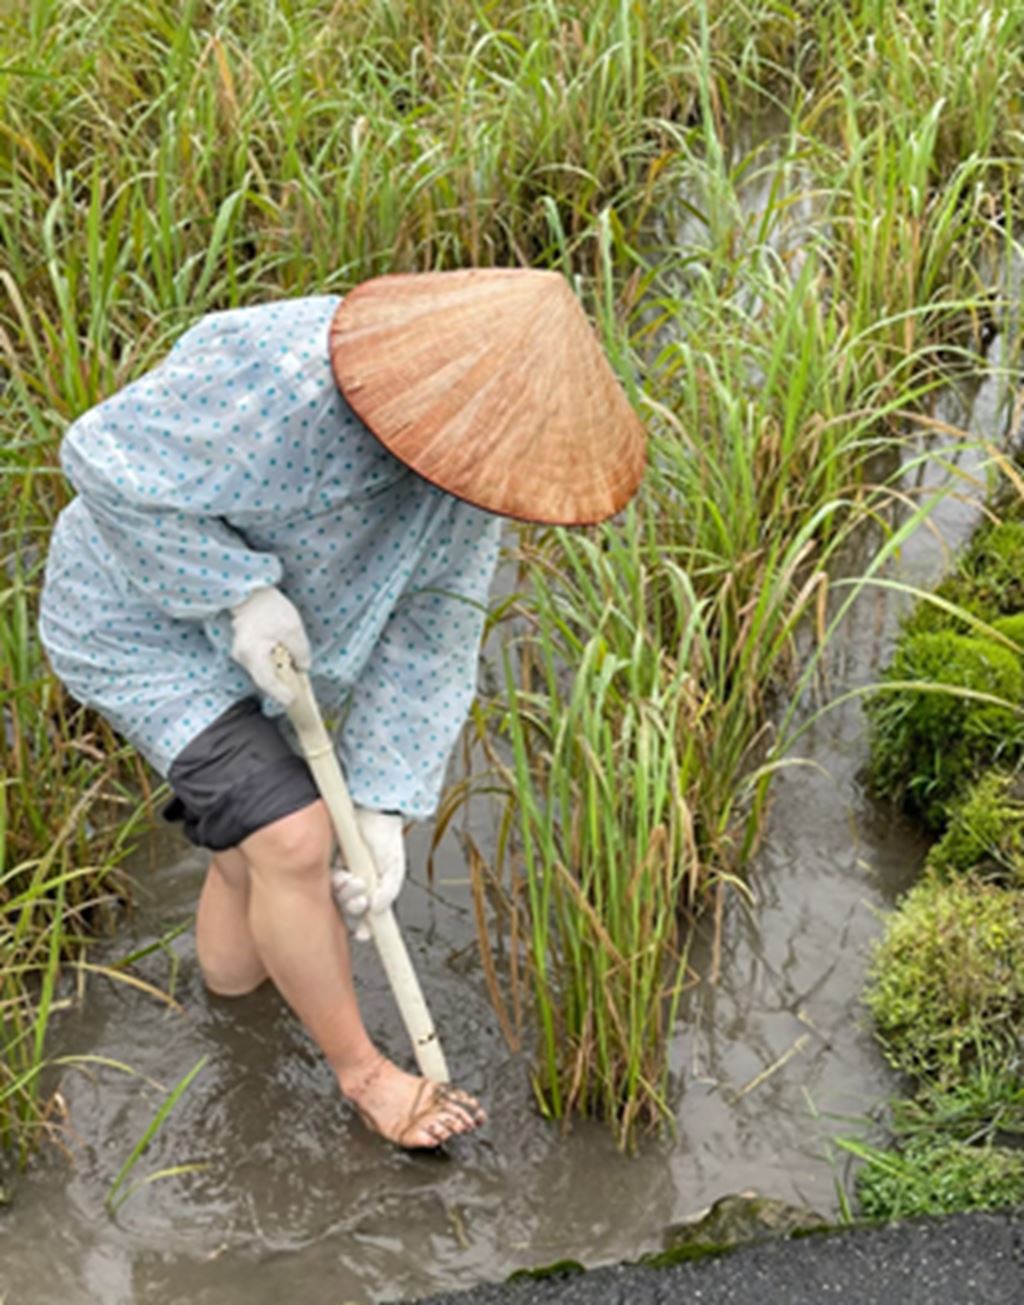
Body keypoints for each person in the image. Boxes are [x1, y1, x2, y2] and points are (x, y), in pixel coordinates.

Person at [39, 268, 646, 1148]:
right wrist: (235, 594)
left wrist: (385, 803)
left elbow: (433, 635)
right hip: (144, 619)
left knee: (251, 856)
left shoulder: (467, 487)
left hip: (278, 657)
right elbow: (103, 458)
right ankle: (364, 1074)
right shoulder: (273, 371)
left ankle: (236, 1031)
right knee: (291, 834)